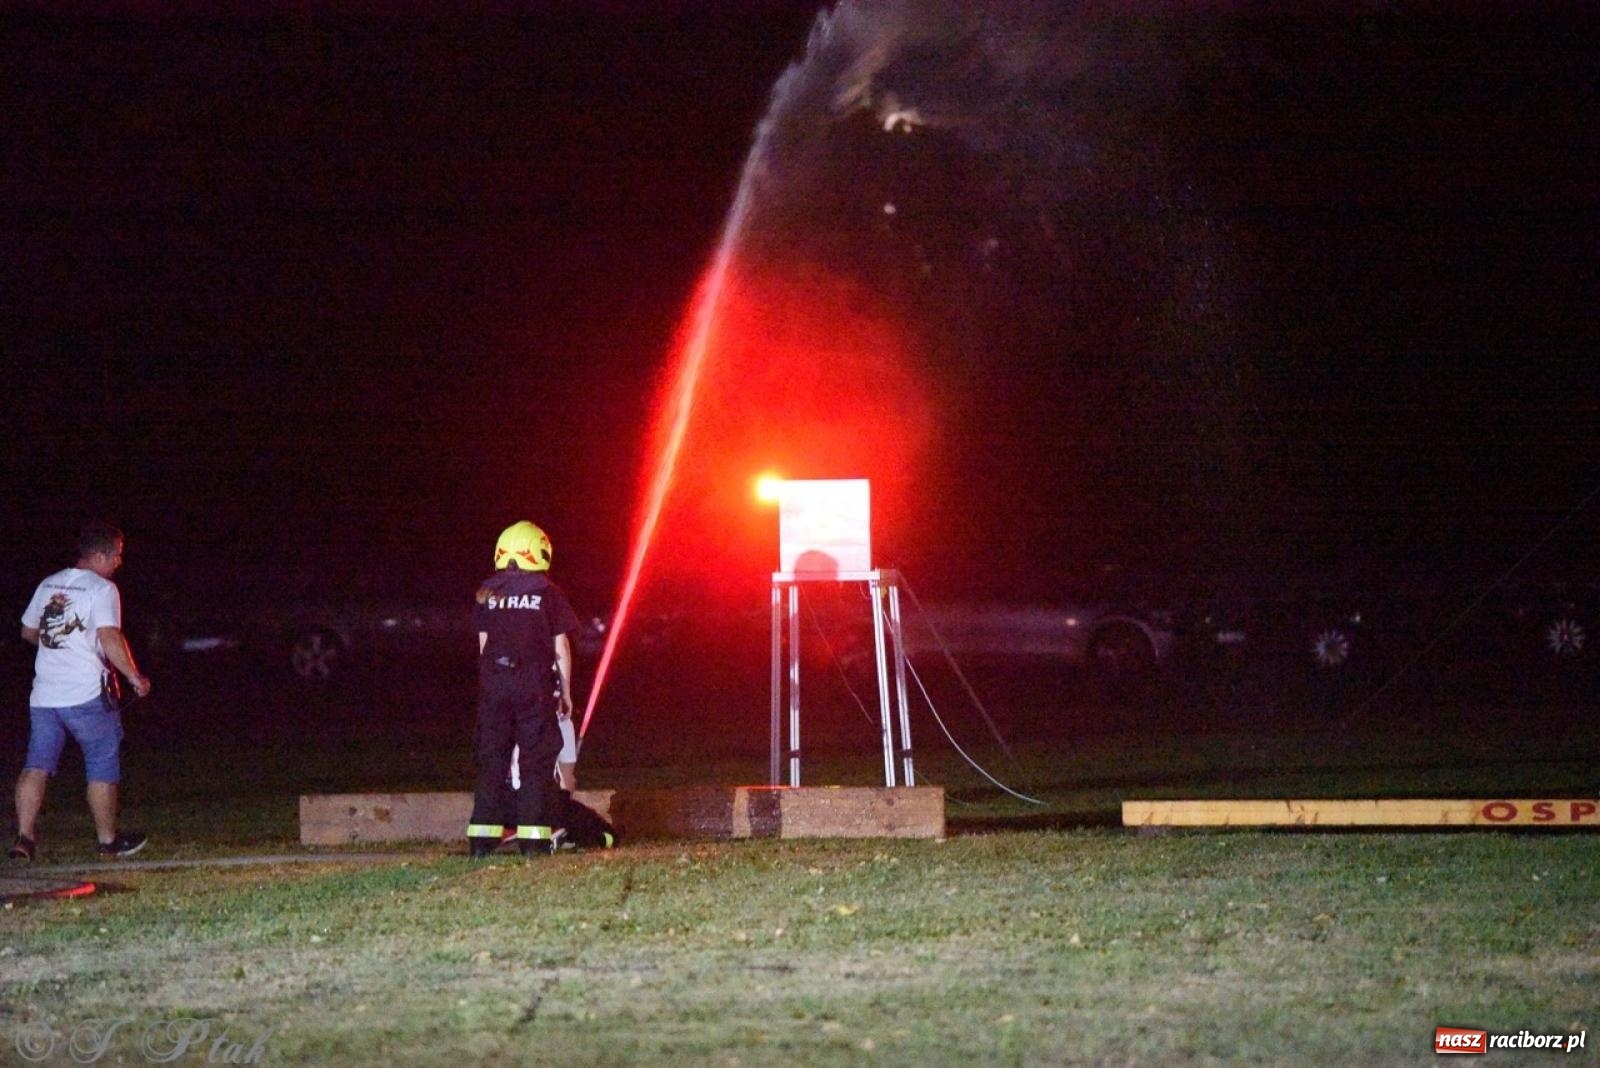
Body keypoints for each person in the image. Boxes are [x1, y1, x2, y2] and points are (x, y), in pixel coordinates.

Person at [10, 523, 151, 861]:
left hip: (44, 695)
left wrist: (59, 644)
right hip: (86, 695)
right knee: (101, 766)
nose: (119, 562)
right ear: (100, 555)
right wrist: (135, 676)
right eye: (117, 555)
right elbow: (109, 637)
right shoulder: (102, 589)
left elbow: (28, 631)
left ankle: (23, 839)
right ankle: (107, 843)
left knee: (36, 765)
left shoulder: (49, 583)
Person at [466, 521, 580, 858]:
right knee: (535, 760)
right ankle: (533, 840)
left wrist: (490, 687)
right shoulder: (548, 593)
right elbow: (561, 649)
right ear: (540, 552)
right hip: (532, 685)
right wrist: (567, 693)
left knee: (492, 759)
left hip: (494, 686)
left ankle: (481, 839)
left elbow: (483, 646)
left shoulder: (487, 593)